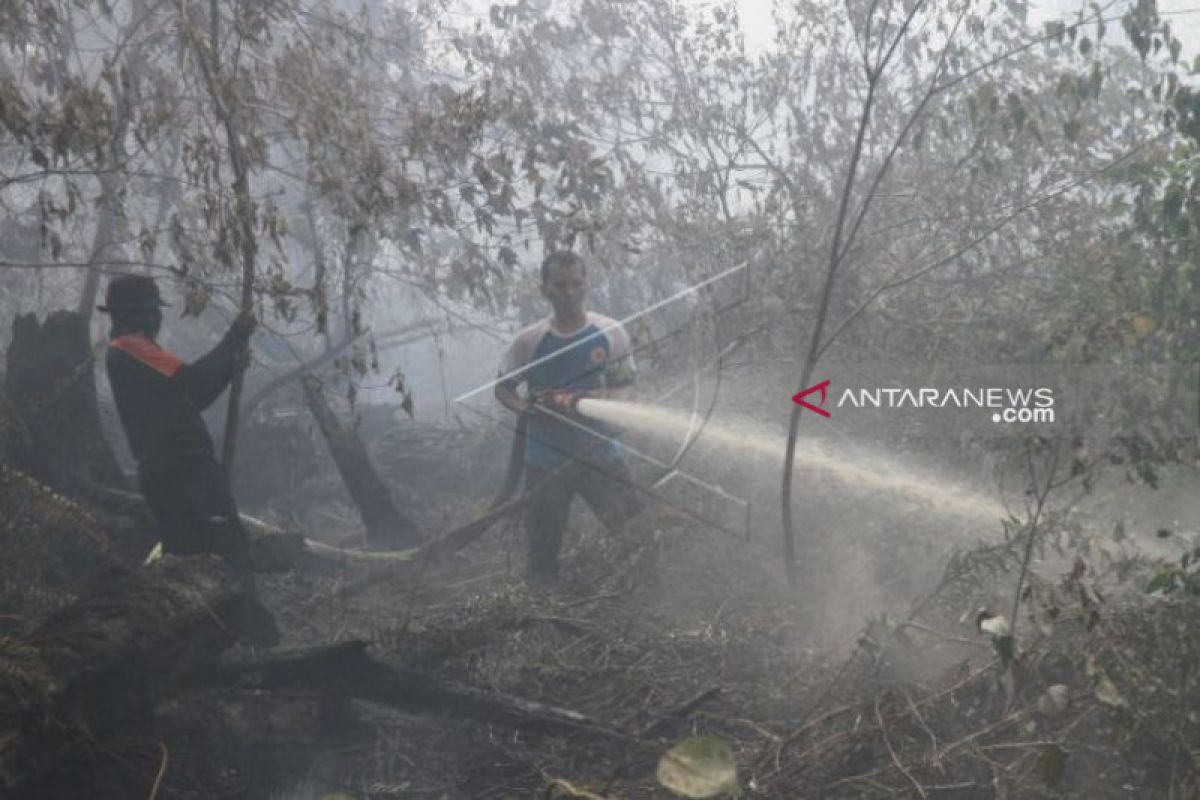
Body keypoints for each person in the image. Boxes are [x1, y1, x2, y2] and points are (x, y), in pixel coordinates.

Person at [99, 274, 277, 644]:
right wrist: (234, 337)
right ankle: (251, 641)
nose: (158, 320)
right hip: (184, 472)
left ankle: (205, 644)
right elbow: (194, 383)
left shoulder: (132, 354)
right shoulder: (133, 347)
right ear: (145, 316)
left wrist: (231, 363)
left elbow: (193, 396)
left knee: (191, 557)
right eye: (154, 313)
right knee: (228, 550)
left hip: (172, 472)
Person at [494, 251, 643, 586]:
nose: (569, 292)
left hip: (601, 454)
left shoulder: (611, 333)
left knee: (638, 537)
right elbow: (503, 389)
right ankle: (544, 620)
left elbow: (628, 392)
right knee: (541, 560)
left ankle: (649, 604)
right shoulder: (529, 340)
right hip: (545, 460)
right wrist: (527, 408)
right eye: (560, 284)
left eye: (576, 283)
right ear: (545, 288)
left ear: (586, 284)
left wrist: (587, 401)